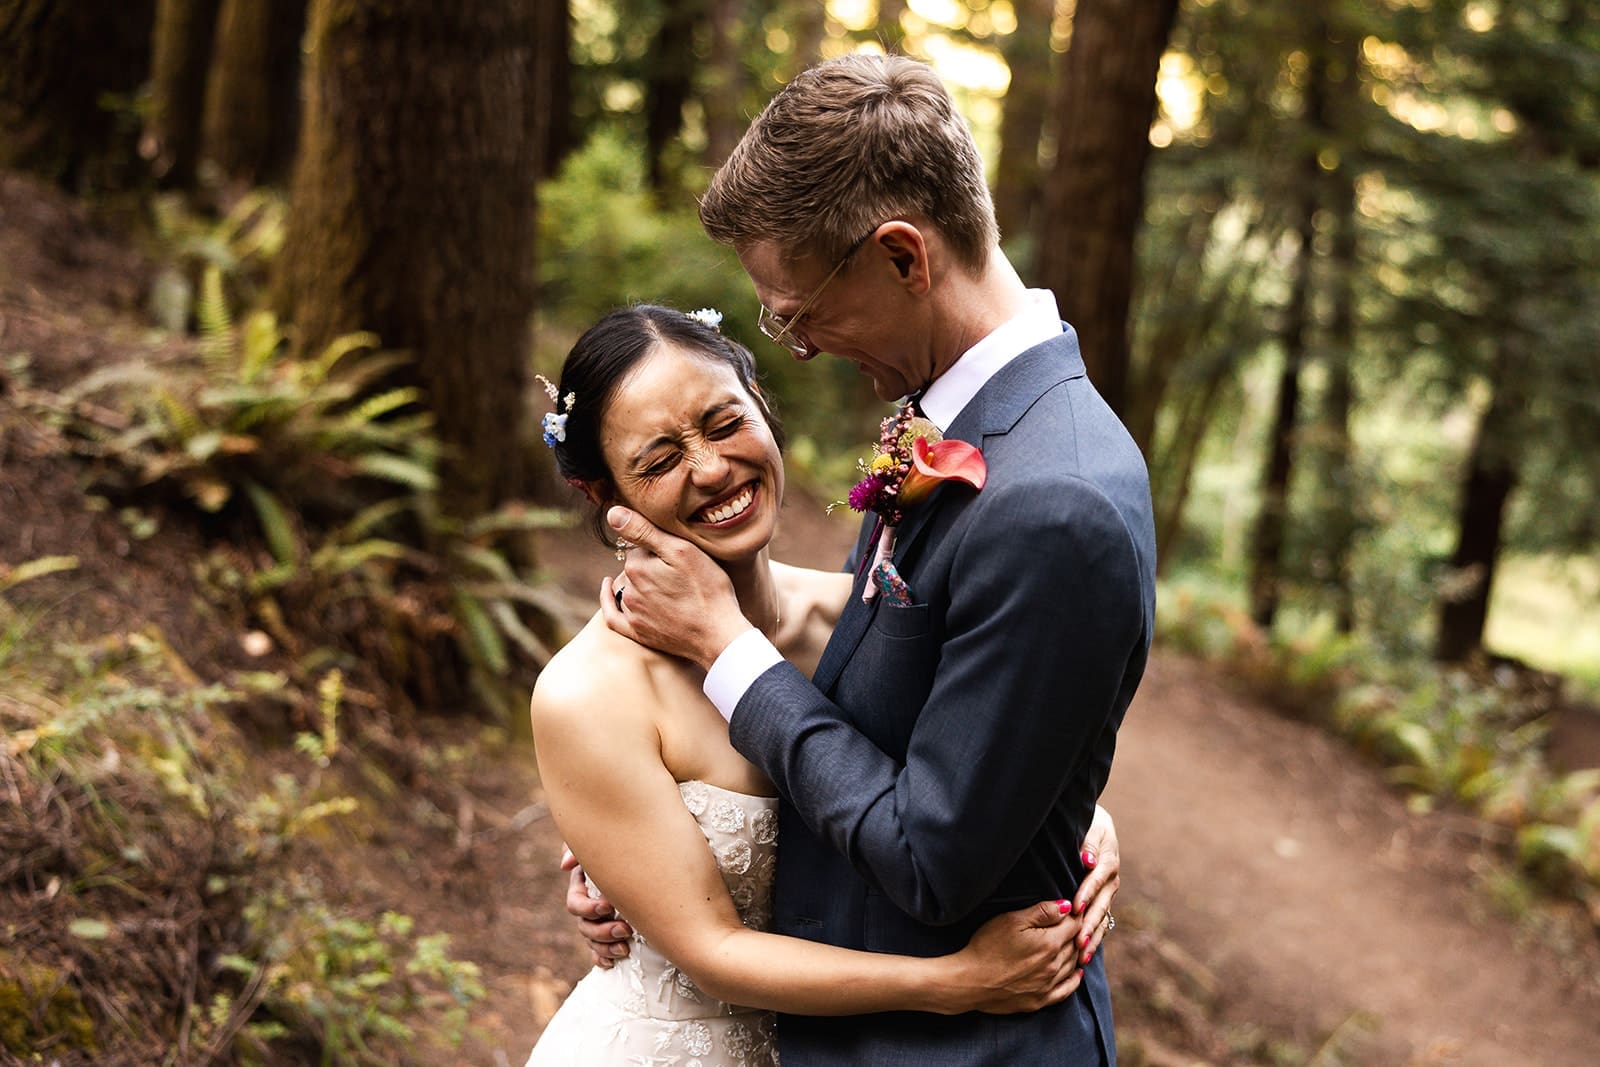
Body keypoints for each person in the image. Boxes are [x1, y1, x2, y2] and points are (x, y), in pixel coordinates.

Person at [595, 54, 1157, 1066]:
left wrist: (728, 650)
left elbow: (931, 854)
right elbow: (921, 696)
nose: (800, 349)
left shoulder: (1052, 502)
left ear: (903, 257)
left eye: (801, 313)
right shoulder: (952, 416)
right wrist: (640, 835)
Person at [524, 305, 1114, 1067]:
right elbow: (709, 949)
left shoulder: (860, 614)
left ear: (763, 406)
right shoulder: (587, 694)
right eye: (660, 459)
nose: (710, 468)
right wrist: (955, 980)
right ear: (605, 496)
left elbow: (973, 755)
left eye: (723, 421)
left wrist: (1082, 817)